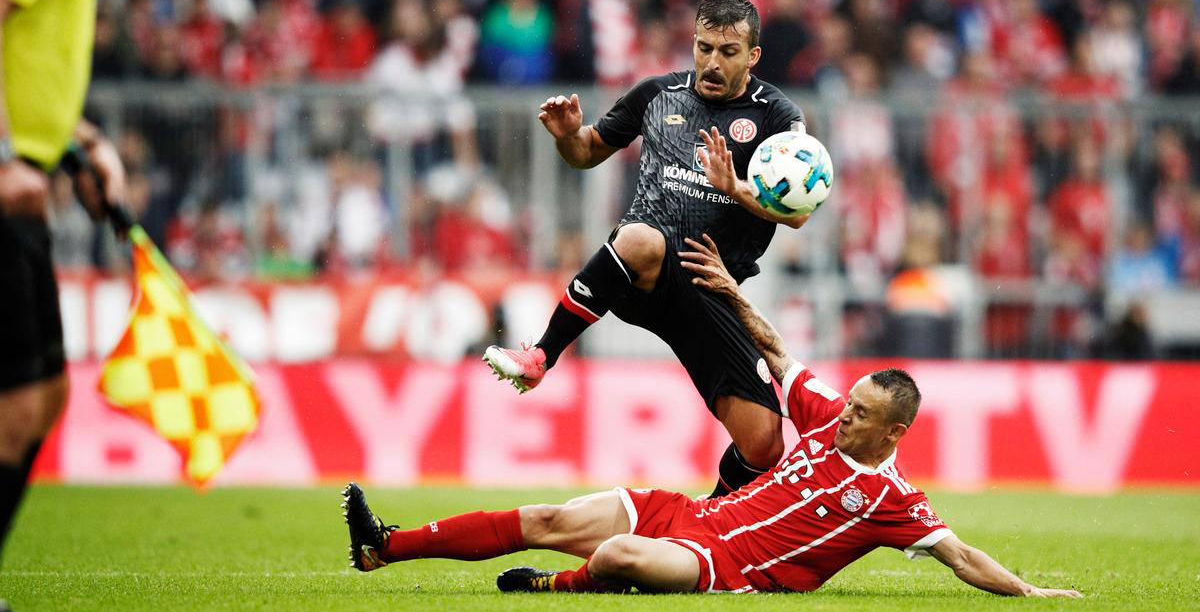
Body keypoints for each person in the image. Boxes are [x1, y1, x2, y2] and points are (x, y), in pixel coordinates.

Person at [342, 235, 1082, 598]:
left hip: (725, 566)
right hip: (692, 515)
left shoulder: (892, 500)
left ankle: (553, 588)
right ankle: (385, 546)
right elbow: (778, 350)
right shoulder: (826, 414)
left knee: (619, 556)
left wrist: (1029, 592)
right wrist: (730, 290)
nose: (842, 416)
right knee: (548, 516)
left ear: (893, 433)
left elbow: (962, 556)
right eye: (849, 403)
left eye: (860, 415)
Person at [483, 0, 808, 496]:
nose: (712, 62)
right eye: (704, 48)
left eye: (728, 52)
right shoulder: (658, 94)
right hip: (646, 273)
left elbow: (798, 214)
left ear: (753, 56)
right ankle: (541, 356)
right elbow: (588, 151)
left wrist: (737, 189)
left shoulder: (778, 117)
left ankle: (707, 524)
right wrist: (568, 136)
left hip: (714, 289)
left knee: (765, 444)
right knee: (639, 237)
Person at [0, 0, 127, 575]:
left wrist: (80, 148)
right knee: (18, 405)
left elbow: (27, 65)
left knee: (42, 397)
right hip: (5, 184)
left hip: (26, 178)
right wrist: (3, 155)